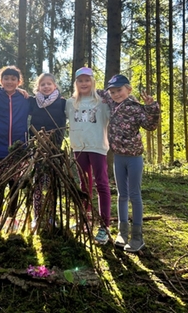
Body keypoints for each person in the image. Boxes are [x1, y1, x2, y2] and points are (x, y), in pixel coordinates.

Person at [104, 74, 160, 252]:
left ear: (128, 89)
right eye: (112, 91)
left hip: (134, 158)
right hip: (118, 157)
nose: (116, 94)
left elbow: (150, 126)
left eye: (119, 90)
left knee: (134, 194)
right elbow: (94, 91)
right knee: (121, 194)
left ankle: (137, 236)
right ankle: (122, 232)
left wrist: (151, 106)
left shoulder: (136, 108)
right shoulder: (111, 103)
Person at [65, 67, 111, 244]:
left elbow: (114, 117)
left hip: (98, 147)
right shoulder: (70, 103)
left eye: (87, 80)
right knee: (84, 184)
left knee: (102, 184)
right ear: (76, 83)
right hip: (79, 148)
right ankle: (85, 219)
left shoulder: (102, 102)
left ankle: (104, 226)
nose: (84, 83)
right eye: (80, 80)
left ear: (92, 81)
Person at [0, 66, 30, 223]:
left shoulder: (24, 99)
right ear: (1, 80)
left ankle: (12, 218)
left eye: (13, 79)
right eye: (6, 78)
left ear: (19, 82)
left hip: (19, 148)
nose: (9, 81)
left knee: (15, 185)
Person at [28, 73, 66, 227]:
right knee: (37, 181)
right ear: (38, 87)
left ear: (55, 86)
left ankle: (51, 215)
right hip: (36, 147)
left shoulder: (62, 103)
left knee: (51, 183)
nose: (46, 86)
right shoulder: (32, 102)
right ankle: (37, 215)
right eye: (42, 84)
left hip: (54, 148)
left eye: (49, 83)